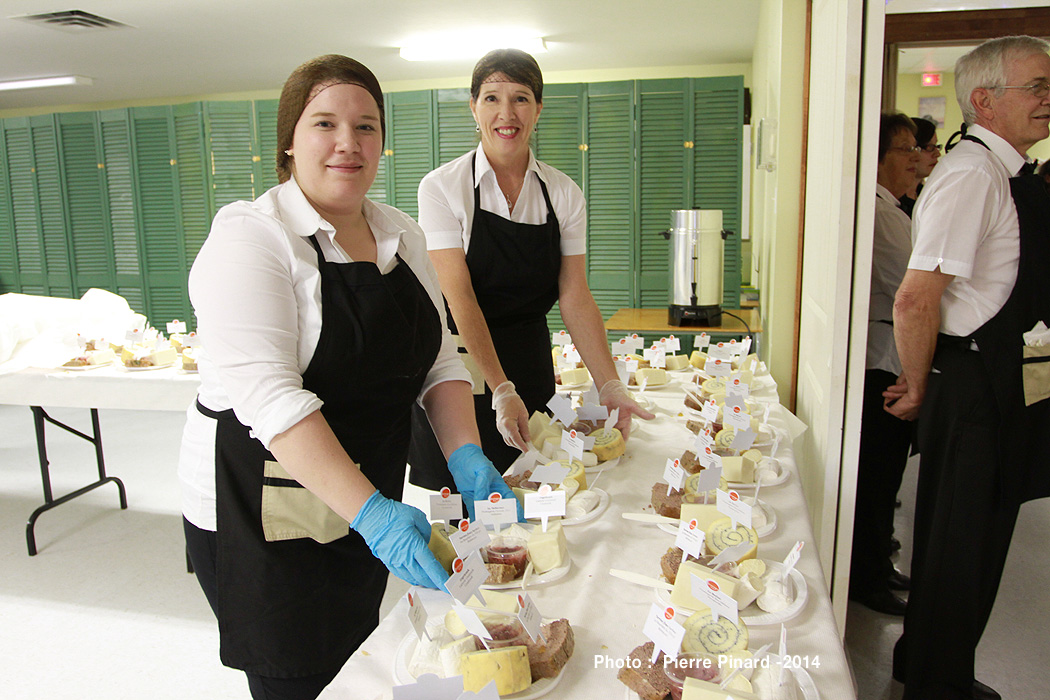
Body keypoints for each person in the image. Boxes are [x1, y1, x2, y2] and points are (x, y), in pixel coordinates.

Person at [177, 55, 512, 700]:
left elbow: (439, 359)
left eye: (366, 126)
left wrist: (466, 455)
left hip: (364, 488)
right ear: (289, 141)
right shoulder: (252, 239)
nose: (347, 143)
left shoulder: (400, 234)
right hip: (265, 500)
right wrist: (376, 516)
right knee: (298, 670)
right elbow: (272, 403)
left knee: (357, 653)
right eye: (324, 123)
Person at [886, 36, 1050, 700]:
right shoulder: (972, 175)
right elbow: (917, 297)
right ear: (984, 100)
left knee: (974, 535)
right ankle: (938, 684)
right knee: (961, 543)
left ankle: (926, 664)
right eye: (1035, 87)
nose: (1047, 100)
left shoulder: (1005, 175)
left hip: (1000, 375)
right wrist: (921, 380)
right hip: (975, 381)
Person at [407, 48, 653, 487]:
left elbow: (574, 293)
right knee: (462, 502)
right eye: (491, 98)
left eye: (520, 98)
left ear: (538, 109)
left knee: (537, 490)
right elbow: (457, 295)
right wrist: (500, 388)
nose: (507, 113)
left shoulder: (563, 193)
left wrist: (610, 384)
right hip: (459, 366)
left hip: (529, 361)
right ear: (474, 108)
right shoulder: (442, 188)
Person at [848, 112, 919, 617]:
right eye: (904, 148)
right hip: (882, 360)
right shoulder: (880, 215)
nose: (915, 158)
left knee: (886, 473)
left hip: (890, 353)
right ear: (877, 156)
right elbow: (907, 288)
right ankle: (866, 576)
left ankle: (878, 562)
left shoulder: (892, 209)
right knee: (877, 474)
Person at [898, 116, 940, 216]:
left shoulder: (929, 194)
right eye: (929, 147)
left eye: (937, 146)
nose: (937, 154)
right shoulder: (895, 201)